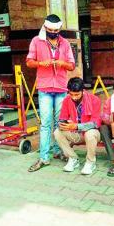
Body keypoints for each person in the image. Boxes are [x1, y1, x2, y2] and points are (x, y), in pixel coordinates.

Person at [26, 14, 76, 172]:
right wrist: (41, 63)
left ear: (60, 29)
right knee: (46, 124)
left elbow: (72, 65)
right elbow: (29, 62)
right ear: (45, 27)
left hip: (61, 88)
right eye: (50, 29)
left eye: (56, 30)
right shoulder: (36, 41)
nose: (53, 32)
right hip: (45, 88)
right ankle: (44, 157)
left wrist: (63, 63)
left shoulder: (65, 43)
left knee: (59, 124)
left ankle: (59, 151)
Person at [54, 77, 102, 175]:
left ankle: (90, 162)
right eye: (71, 94)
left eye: (77, 94)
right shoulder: (67, 100)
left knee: (90, 133)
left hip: (92, 134)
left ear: (83, 91)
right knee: (57, 132)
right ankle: (73, 158)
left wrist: (77, 126)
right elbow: (62, 117)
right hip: (76, 133)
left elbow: (95, 123)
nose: (74, 97)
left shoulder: (94, 100)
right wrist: (62, 124)